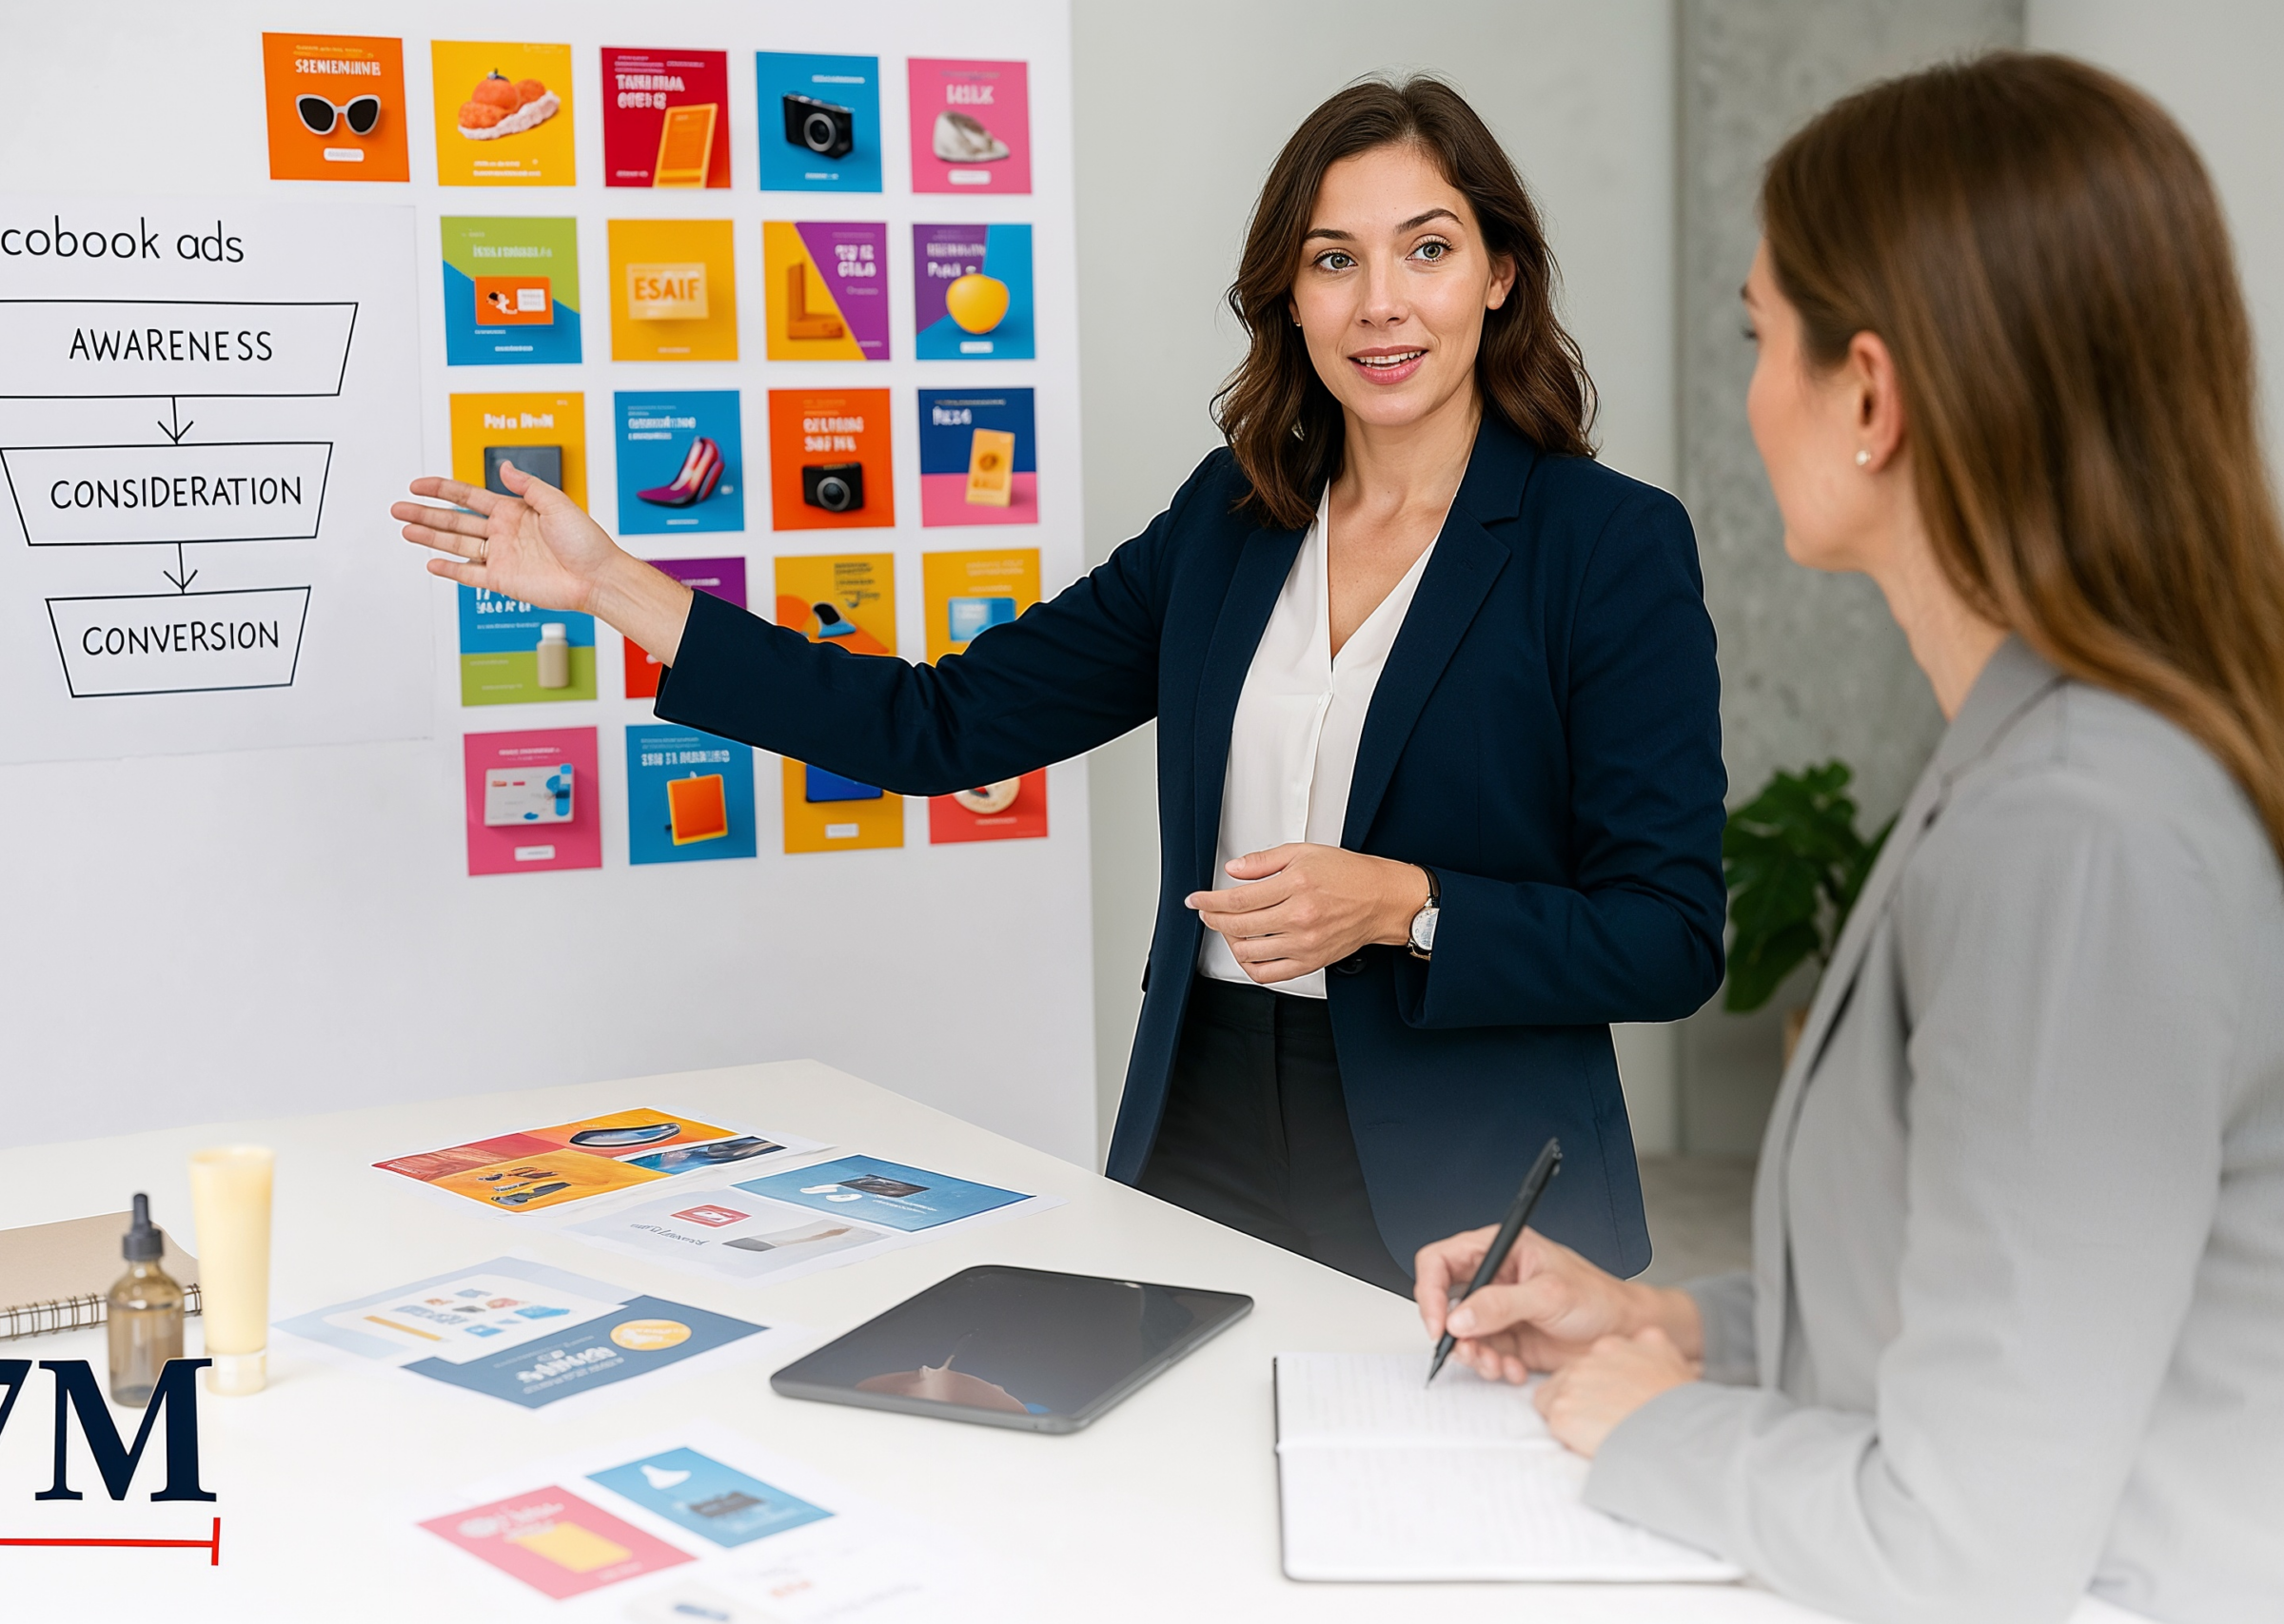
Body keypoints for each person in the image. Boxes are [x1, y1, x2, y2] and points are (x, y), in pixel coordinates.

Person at [393, 78, 1726, 1294]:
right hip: (1200, 1123)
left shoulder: (1604, 545)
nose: (1382, 302)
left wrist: (1406, 905)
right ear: (1290, 295)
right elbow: (943, 722)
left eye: (1426, 249)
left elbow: (1668, 932)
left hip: (1470, 1169)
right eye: (1335, 260)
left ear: (1499, 273)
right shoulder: (1234, 520)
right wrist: (622, 587)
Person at [1414, 53, 2284, 1622]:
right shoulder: (2041, 759)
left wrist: (1665, 1431)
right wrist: (1669, 1321)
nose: (1749, 390)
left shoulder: (2078, 830)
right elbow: (2006, 1311)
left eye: (1763, 337)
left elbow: (1967, 1541)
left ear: (1870, 393)